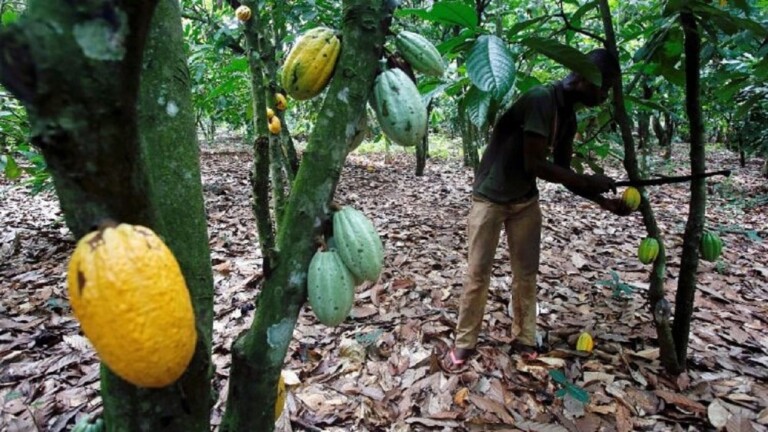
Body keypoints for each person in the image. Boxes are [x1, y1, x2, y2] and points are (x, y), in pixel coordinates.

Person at [444, 48, 632, 369]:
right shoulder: (540, 100)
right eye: (604, 86)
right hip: (490, 196)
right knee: (478, 273)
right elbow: (534, 164)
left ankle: (524, 338)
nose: (605, 96)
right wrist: (588, 180)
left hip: (524, 201)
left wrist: (604, 201)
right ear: (585, 77)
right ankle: (465, 343)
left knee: (526, 274)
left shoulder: (568, 117)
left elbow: (562, 171)